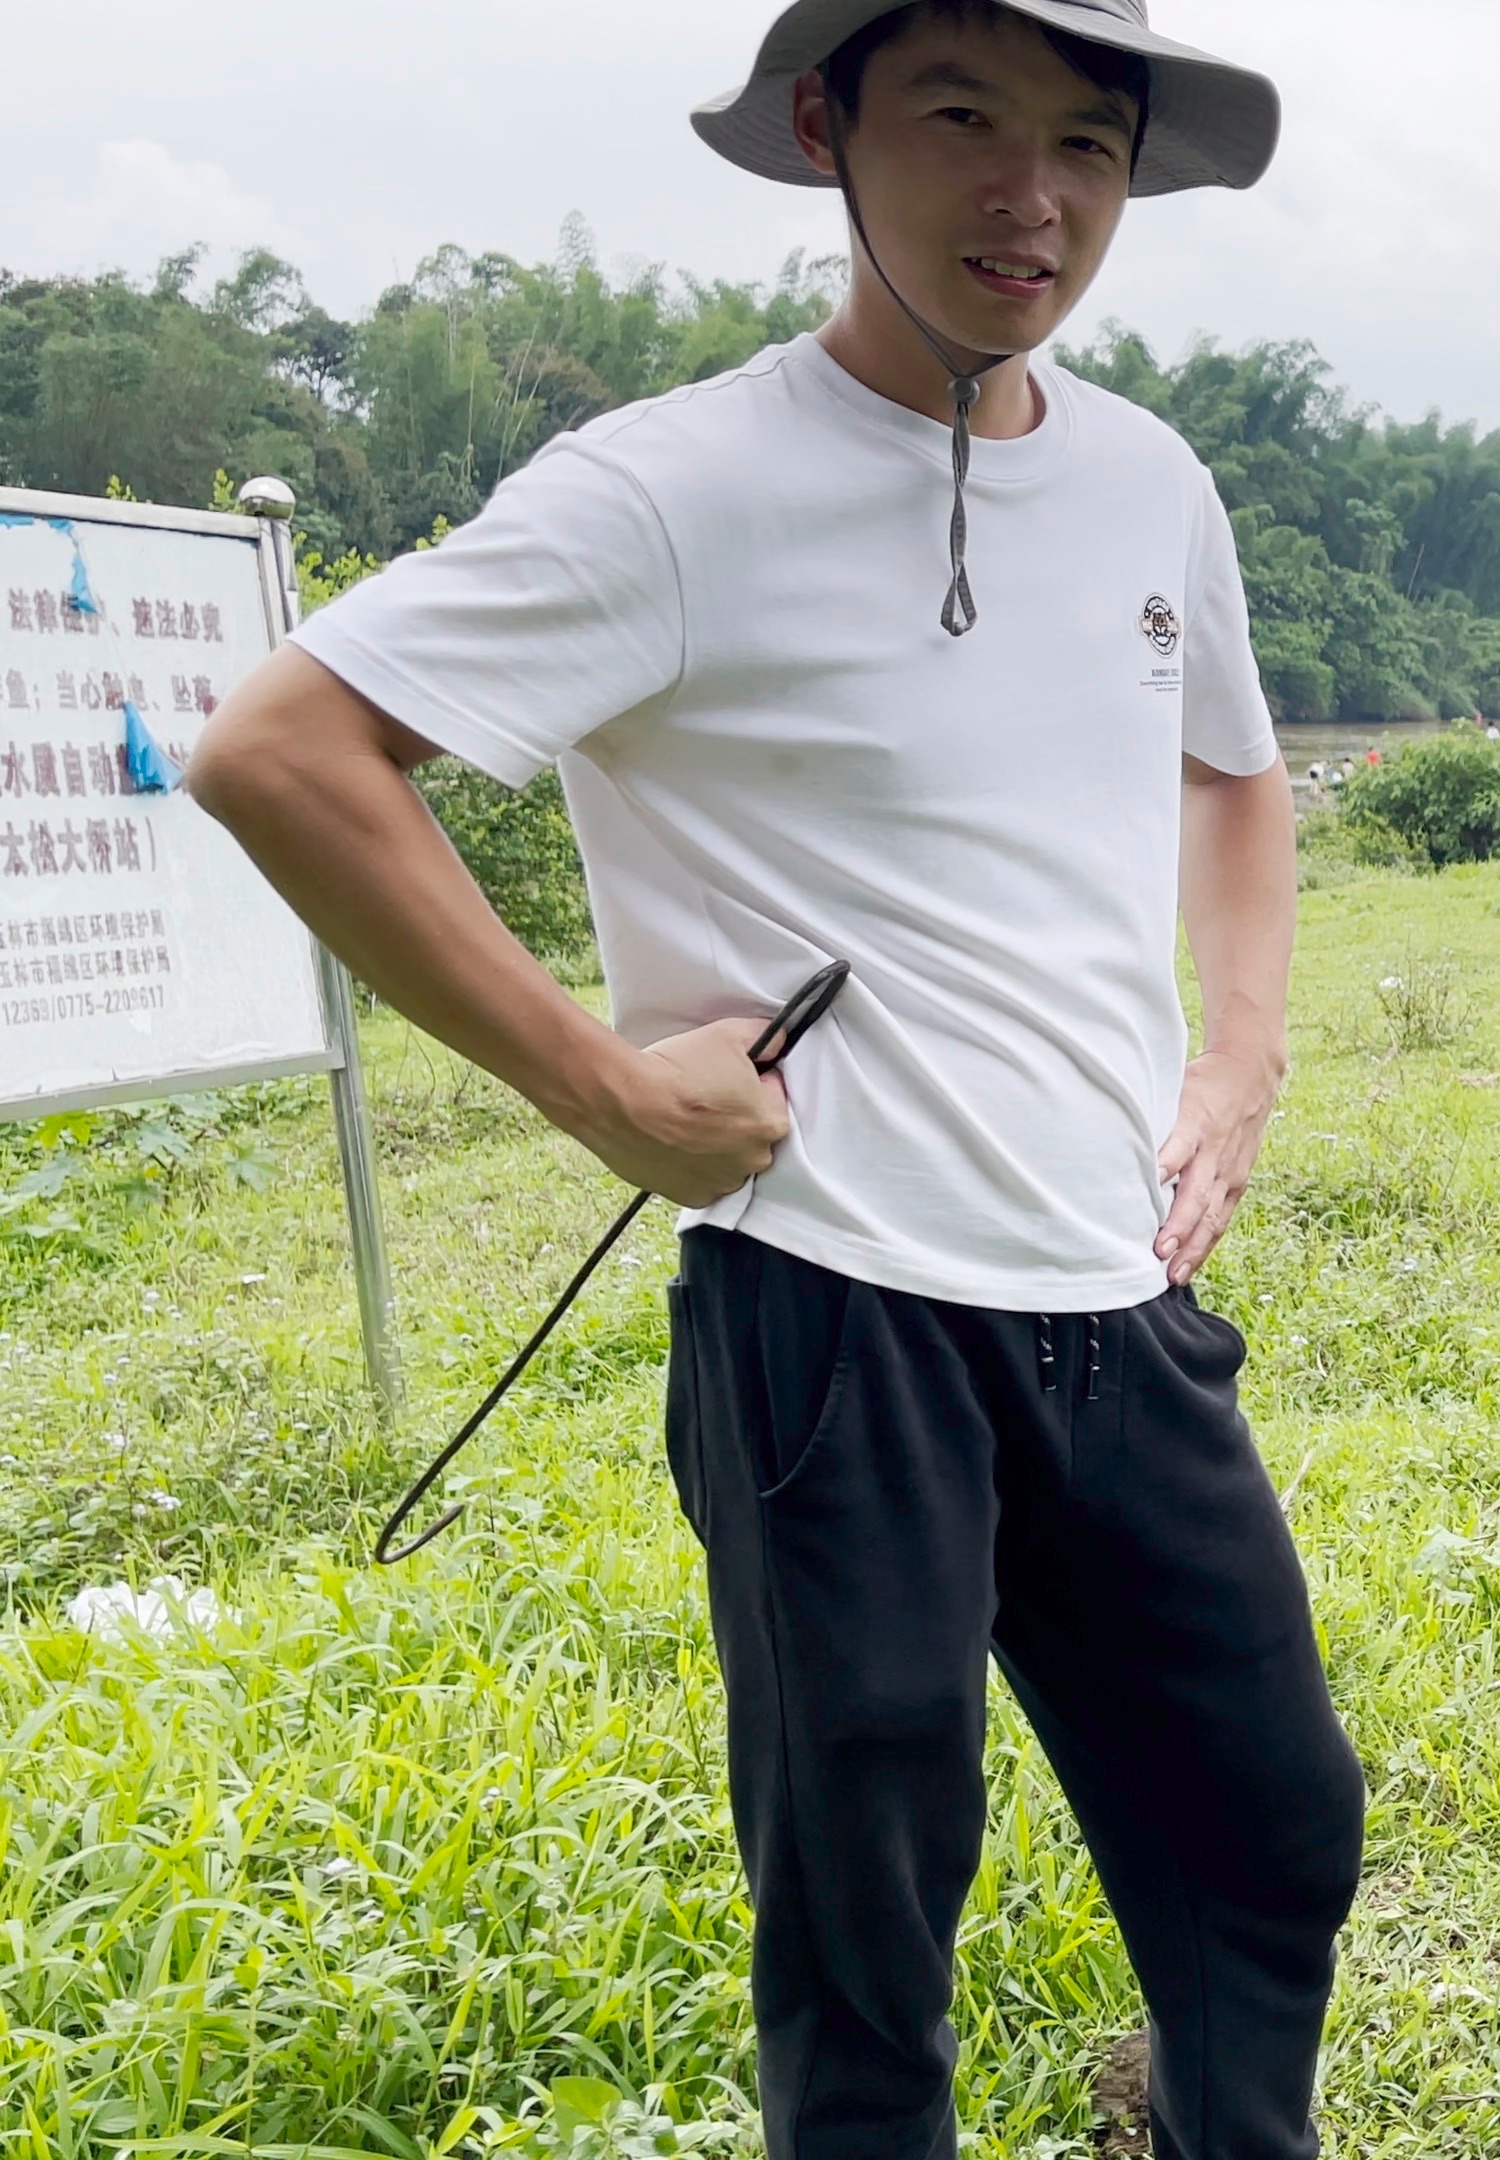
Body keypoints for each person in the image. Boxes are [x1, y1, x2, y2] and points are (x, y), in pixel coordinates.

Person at [184, 5, 1364, 2156]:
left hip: (1116, 1300)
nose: (1035, 198)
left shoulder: (1148, 480)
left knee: (1271, 1833)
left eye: (1088, 145)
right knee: (865, 1918)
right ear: (829, 130)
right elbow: (284, 753)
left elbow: (1240, 774)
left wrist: (1244, 1060)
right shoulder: (669, 487)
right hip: (834, 1317)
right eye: (962, 118)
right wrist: (602, 1091)